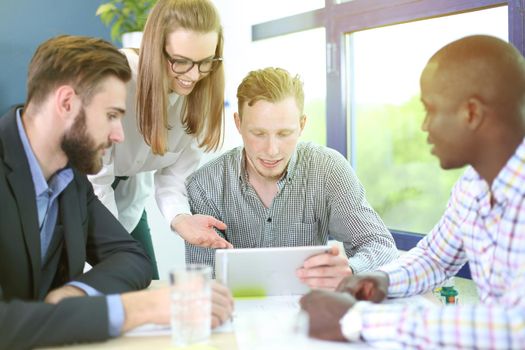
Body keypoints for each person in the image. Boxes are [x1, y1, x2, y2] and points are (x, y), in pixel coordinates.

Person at [0, 35, 233, 350]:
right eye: (111, 115)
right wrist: (141, 308)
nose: (119, 135)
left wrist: (76, 294)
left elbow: (131, 256)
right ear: (66, 103)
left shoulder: (68, 178)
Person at [300, 35, 525, 349]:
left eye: (431, 110)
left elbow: (515, 326)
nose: (424, 126)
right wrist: (383, 278)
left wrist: (356, 319)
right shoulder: (472, 188)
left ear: (471, 113)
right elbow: (435, 258)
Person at [185, 67, 398, 290]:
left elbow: (381, 246)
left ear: (302, 125)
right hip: (234, 314)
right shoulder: (205, 186)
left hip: (311, 313)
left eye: (284, 134)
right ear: (238, 124)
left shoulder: (328, 170)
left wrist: (351, 271)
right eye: (258, 134)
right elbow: (203, 281)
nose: (272, 150)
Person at [88, 0, 232, 280]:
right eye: (180, 61)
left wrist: (180, 219)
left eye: (205, 63)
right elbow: (96, 179)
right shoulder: (116, 78)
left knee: (146, 282)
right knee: (104, 292)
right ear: (155, 48)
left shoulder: (199, 95)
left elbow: (173, 176)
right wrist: (116, 251)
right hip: (81, 192)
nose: (193, 76)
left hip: (129, 196)